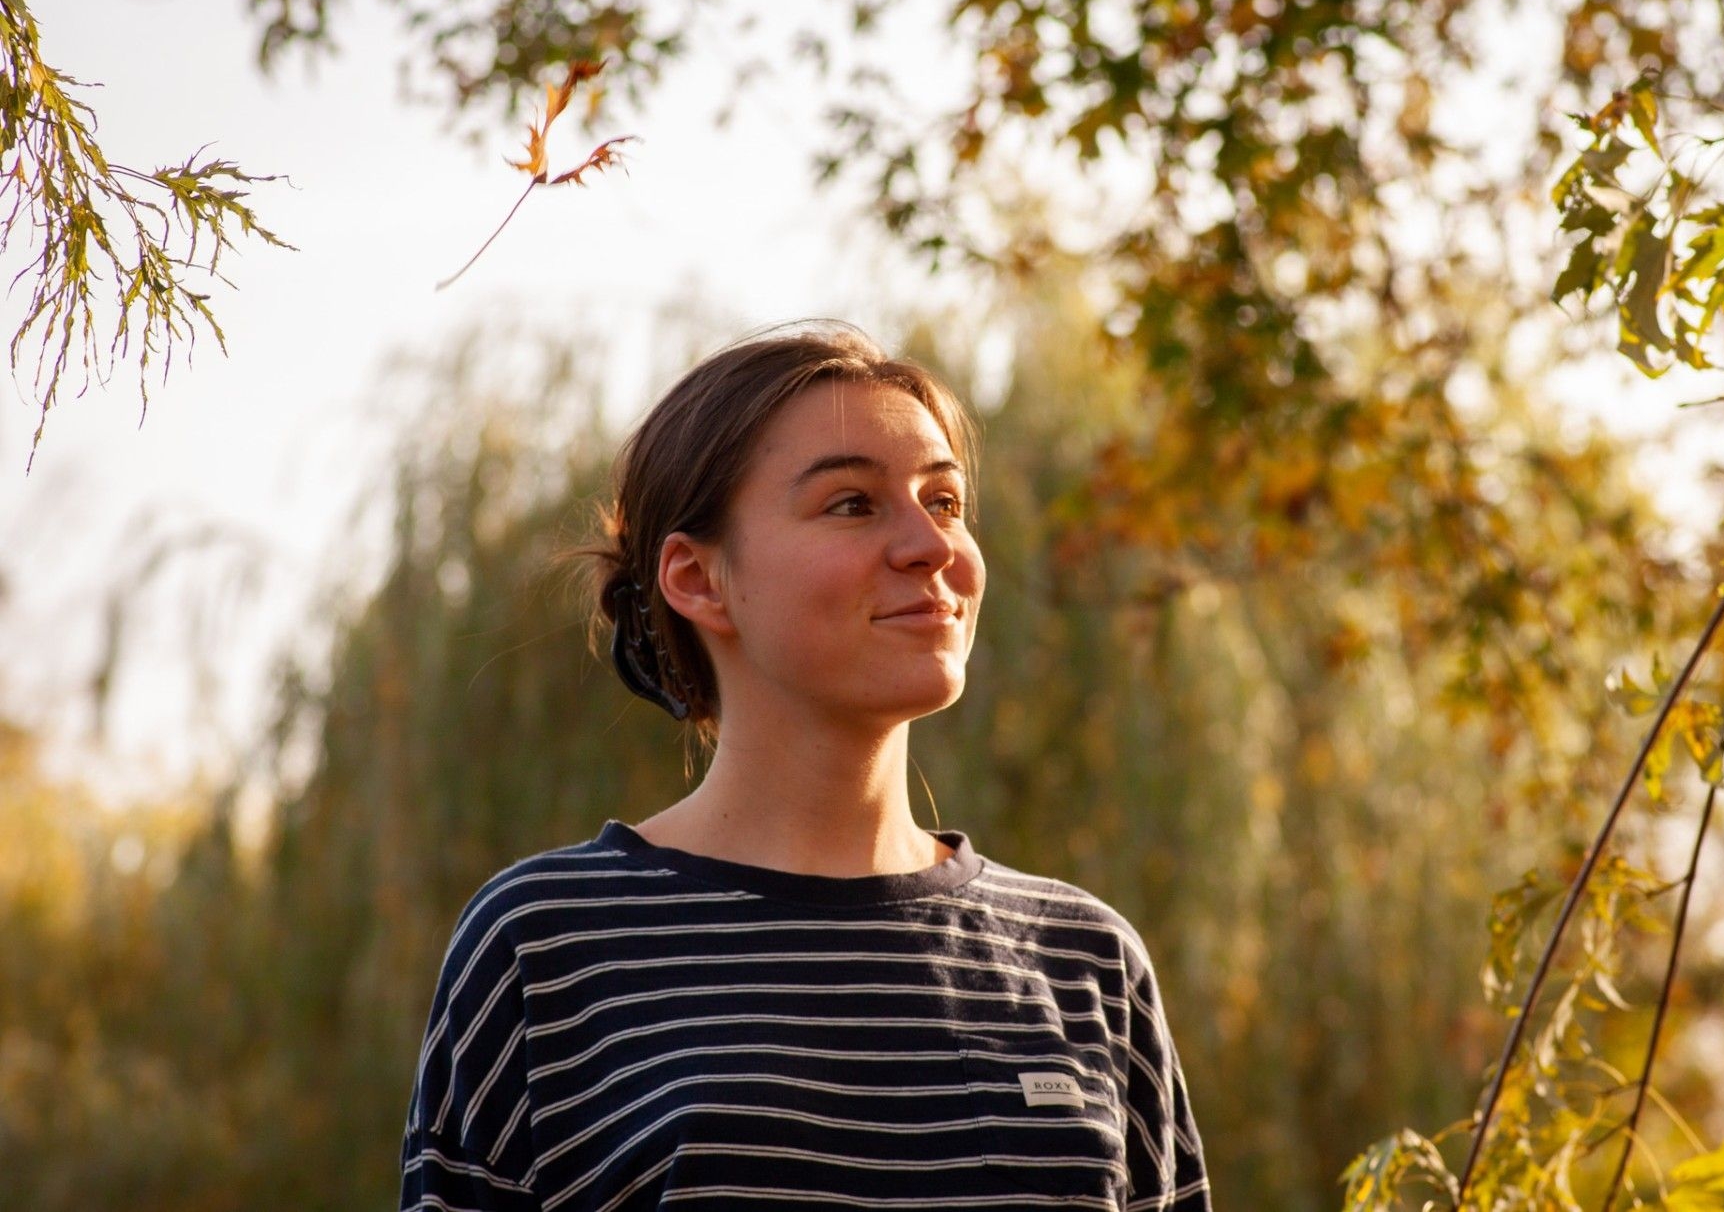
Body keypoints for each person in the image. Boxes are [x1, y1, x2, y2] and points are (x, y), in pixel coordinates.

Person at [398, 320, 1211, 1210]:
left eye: (944, 501)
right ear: (697, 578)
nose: (932, 547)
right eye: (853, 504)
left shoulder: (1085, 961)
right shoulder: (544, 945)